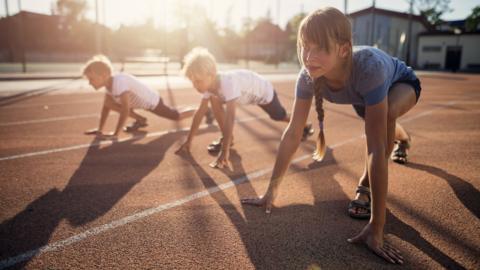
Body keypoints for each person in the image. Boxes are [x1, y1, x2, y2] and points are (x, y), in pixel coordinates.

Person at [241, 7, 421, 264]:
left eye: (320, 49)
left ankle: (365, 185)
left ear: (343, 49)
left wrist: (376, 228)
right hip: (365, 96)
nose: (309, 57)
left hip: (400, 85)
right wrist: (270, 191)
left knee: (387, 117)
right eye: (305, 47)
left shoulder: (369, 69)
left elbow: (376, 150)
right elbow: (293, 132)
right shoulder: (307, 76)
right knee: (380, 123)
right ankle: (403, 138)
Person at [175, 47, 315, 168]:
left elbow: (230, 117)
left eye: (198, 81)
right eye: (193, 82)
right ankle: (228, 138)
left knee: (279, 116)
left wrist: (224, 151)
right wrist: (188, 141)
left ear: (211, 75)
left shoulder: (227, 83)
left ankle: (305, 125)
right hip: (248, 94)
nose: (196, 86)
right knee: (214, 100)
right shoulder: (209, 87)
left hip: (263, 92)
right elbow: (200, 113)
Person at [82, 55, 196, 139]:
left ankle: (202, 110)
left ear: (104, 76)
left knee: (176, 116)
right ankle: (141, 120)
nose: (90, 83)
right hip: (138, 103)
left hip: (153, 102)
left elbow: (125, 110)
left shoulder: (119, 82)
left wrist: (116, 133)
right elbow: (106, 107)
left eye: (92, 79)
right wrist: (100, 130)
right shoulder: (108, 86)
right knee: (109, 103)